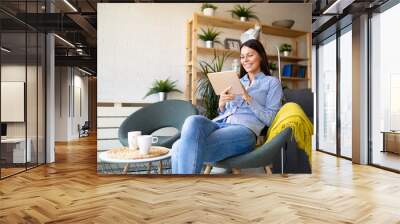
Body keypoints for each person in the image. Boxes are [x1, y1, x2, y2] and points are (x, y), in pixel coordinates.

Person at [171, 39, 283, 174]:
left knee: (178, 146)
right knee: (192, 120)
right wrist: (222, 104)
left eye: (250, 55)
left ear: (261, 56)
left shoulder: (272, 83)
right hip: (221, 124)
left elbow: (270, 119)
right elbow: (227, 110)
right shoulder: (237, 81)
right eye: (242, 56)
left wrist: (248, 97)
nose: (245, 60)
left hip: (245, 131)